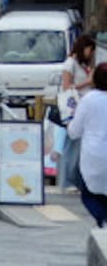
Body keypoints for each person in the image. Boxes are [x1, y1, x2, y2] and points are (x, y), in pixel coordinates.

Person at [68, 62, 107, 227]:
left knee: (88, 194)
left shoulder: (88, 100)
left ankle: (103, 220)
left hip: (94, 155)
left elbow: (74, 131)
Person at [61, 35, 97, 189]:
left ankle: (77, 180)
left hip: (86, 107)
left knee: (81, 145)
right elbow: (66, 87)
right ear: (84, 48)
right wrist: (87, 82)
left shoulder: (84, 64)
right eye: (90, 50)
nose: (91, 54)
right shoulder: (70, 64)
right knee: (73, 145)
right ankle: (69, 180)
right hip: (74, 109)